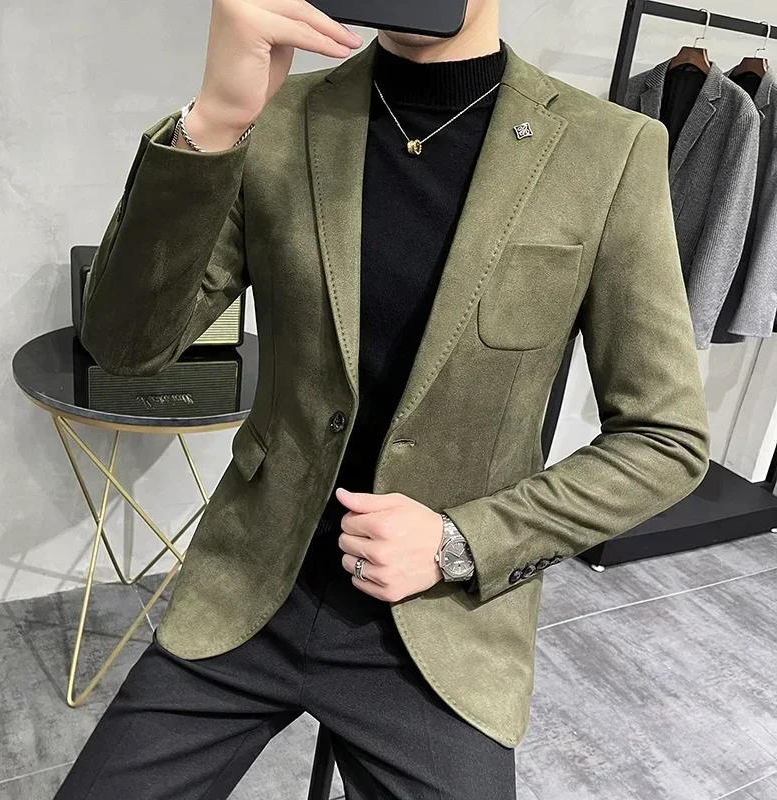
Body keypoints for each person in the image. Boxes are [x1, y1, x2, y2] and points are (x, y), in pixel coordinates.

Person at [55, 0, 711, 797]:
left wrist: (458, 542)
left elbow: (665, 440)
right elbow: (126, 346)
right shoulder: (279, 115)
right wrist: (216, 121)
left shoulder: (608, 148)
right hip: (250, 584)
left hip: (440, 623)